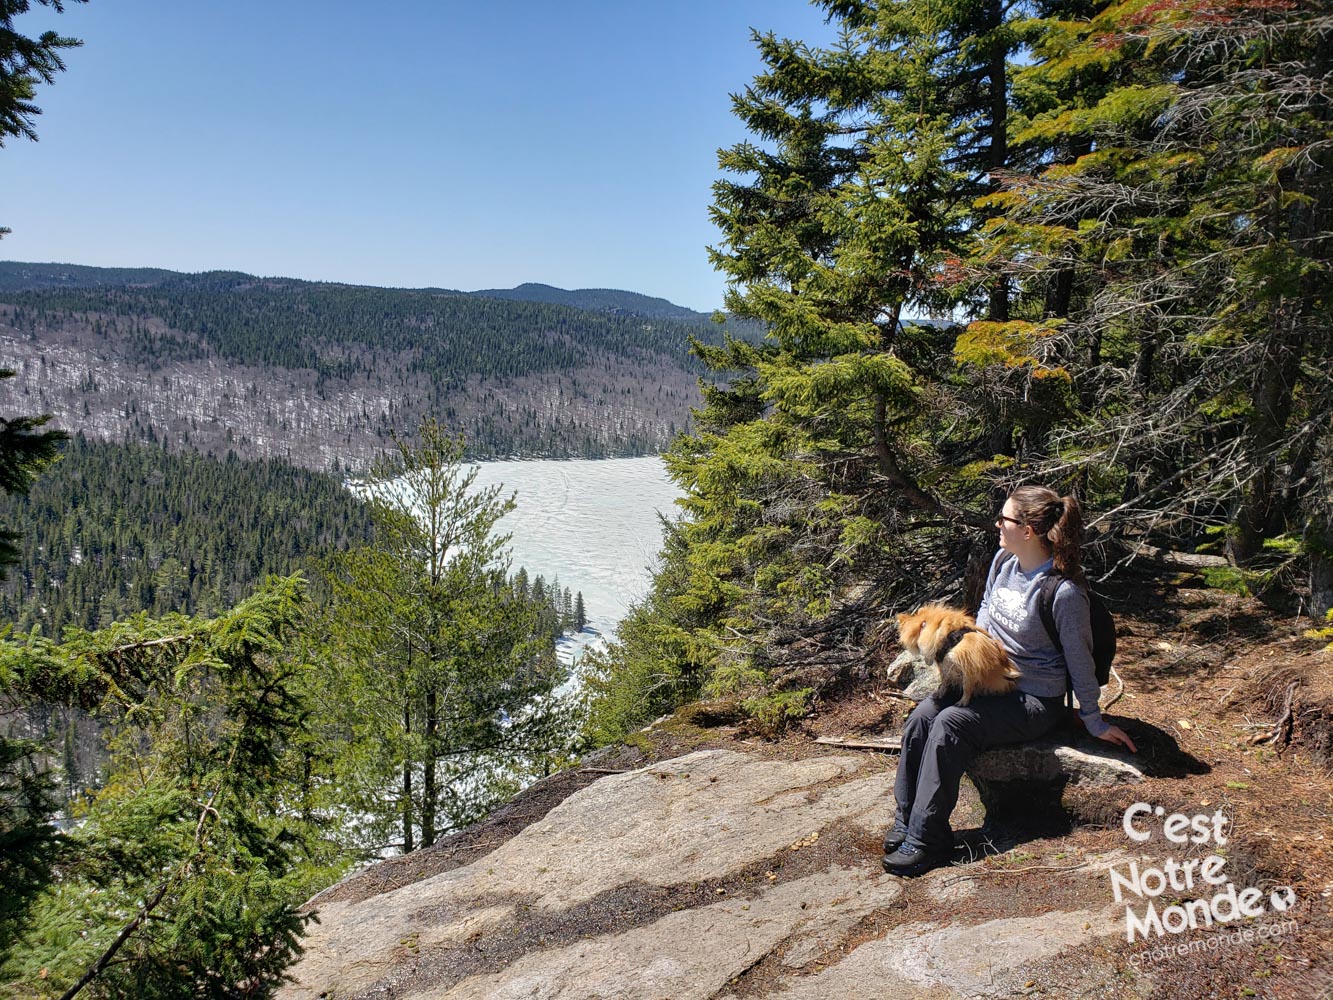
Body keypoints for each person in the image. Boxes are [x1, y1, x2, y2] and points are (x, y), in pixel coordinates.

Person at [882, 486, 1138, 877]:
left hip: (1034, 700)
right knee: (921, 718)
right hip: (989, 682)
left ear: (1030, 530)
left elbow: (1080, 660)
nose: (998, 525)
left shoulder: (1063, 592)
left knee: (951, 725)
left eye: (1005, 519)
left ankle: (928, 838)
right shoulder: (1005, 560)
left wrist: (1093, 718)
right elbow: (986, 608)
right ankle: (907, 821)